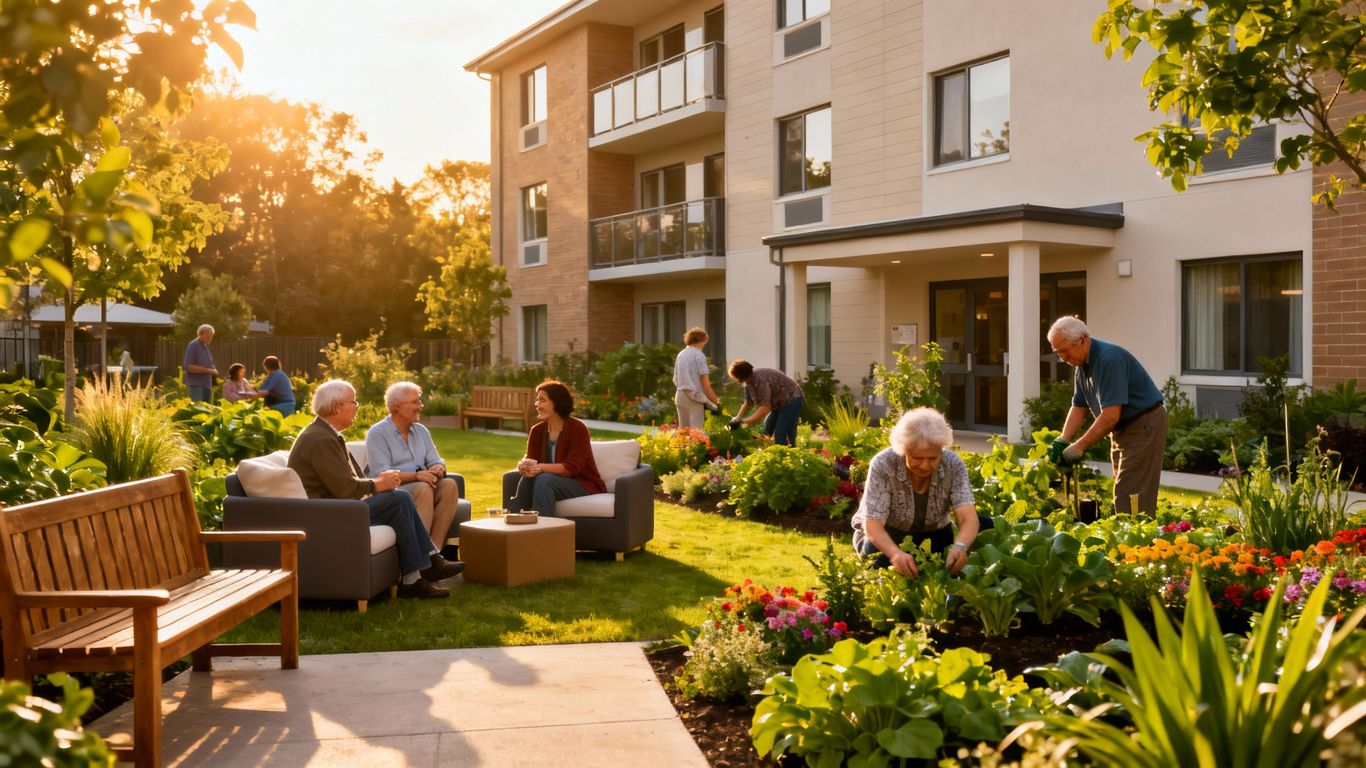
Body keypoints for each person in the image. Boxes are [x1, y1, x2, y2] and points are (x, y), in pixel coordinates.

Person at [288, 379, 463, 599]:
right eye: (354, 402)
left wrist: (378, 486)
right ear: (337, 406)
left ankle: (416, 576)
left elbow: (349, 481)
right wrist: (378, 484)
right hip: (332, 514)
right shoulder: (321, 439)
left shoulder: (325, 434)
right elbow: (345, 489)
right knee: (398, 500)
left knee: (398, 498)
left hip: (338, 508)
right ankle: (427, 563)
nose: (356, 407)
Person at [1046, 316, 1167, 515]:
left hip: (1144, 424)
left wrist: (1078, 447)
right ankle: (1132, 539)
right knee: (1125, 490)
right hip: (1123, 430)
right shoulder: (1082, 366)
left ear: (1083, 340)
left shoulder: (1109, 359)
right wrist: (1063, 439)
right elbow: (1079, 406)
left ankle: (1138, 542)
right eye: (1059, 354)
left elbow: (1111, 416)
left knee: (1131, 494)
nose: (1064, 358)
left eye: (1065, 351)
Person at [851, 407, 990, 578]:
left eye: (932, 458)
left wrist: (960, 547)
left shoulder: (953, 464)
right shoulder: (883, 464)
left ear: (941, 450)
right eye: (917, 458)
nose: (925, 465)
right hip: (887, 533)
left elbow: (968, 518)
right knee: (880, 566)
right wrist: (895, 554)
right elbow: (873, 525)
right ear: (903, 450)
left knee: (944, 573)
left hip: (935, 533)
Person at [366, 382, 460, 548]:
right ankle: (422, 554)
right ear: (397, 406)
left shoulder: (421, 431)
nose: (420, 406)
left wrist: (438, 468)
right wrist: (416, 476)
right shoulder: (377, 433)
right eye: (415, 402)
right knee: (423, 488)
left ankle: (435, 552)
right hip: (393, 492)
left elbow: (435, 460)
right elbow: (381, 474)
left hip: (423, 485)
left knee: (449, 485)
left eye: (420, 401)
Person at [514, 380, 605, 516]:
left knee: (544, 479)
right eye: (537, 400)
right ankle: (515, 523)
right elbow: (531, 458)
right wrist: (523, 465)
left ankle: (543, 530)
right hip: (550, 481)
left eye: (542, 400)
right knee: (526, 478)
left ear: (557, 402)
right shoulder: (537, 430)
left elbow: (572, 468)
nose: (536, 405)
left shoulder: (578, 429)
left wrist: (539, 467)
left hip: (581, 484)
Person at [726, 359, 804, 446]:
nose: (737, 380)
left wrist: (745, 421)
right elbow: (747, 403)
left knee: (781, 433)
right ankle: (771, 453)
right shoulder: (748, 382)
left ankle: (788, 455)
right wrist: (737, 419)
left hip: (792, 399)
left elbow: (765, 407)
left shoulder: (759, 379)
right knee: (768, 431)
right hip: (779, 403)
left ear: (741, 376)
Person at [673, 327, 722, 429]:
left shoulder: (681, 354)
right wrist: (716, 402)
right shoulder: (699, 355)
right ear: (702, 341)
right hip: (694, 398)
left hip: (680, 396)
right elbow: (705, 384)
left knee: (683, 433)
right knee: (696, 433)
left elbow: (675, 378)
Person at [182, 324, 219, 403]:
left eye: (211, 336)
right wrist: (209, 371)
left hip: (207, 385)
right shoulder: (193, 345)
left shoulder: (205, 347)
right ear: (201, 334)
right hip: (197, 385)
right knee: (198, 411)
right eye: (208, 336)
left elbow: (209, 365)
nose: (210, 339)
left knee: (206, 412)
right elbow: (188, 366)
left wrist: (214, 371)